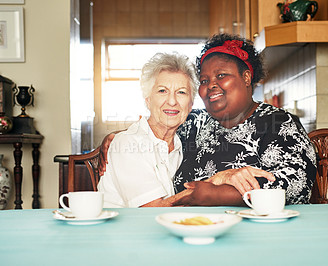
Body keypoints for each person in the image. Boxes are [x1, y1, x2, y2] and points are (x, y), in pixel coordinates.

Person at [99, 33, 316, 207]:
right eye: (204, 79)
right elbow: (154, 131)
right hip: (191, 231)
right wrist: (118, 137)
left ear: (246, 77)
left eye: (221, 75)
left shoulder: (278, 123)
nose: (211, 84)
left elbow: (296, 185)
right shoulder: (195, 123)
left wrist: (216, 194)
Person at [97, 52, 197, 208]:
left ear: (190, 105)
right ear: (148, 100)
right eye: (162, 91)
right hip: (125, 231)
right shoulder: (127, 143)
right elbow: (152, 210)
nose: (172, 101)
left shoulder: (180, 145)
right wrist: (208, 188)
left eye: (181, 92)